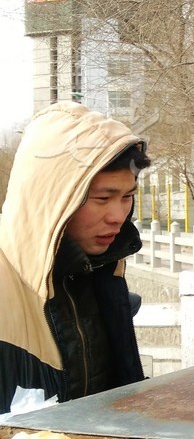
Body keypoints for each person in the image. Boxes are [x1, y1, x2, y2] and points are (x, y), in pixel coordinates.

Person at [0, 102, 150, 415]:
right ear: (51, 197)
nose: (118, 216)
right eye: (102, 198)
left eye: (128, 196)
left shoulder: (105, 271)